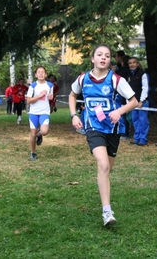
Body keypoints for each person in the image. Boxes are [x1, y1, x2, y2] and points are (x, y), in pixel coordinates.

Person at [68, 44, 137, 226]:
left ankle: (105, 196)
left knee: (107, 170)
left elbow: (134, 101)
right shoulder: (83, 79)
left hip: (112, 129)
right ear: (93, 59)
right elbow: (72, 95)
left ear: (109, 60)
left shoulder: (116, 80)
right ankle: (107, 212)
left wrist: (119, 111)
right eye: (99, 54)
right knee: (103, 164)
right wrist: (74, 115)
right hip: (93, 127)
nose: (103, 58)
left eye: (107, 55)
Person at [26, 66, 53, 160]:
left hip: (44, 112)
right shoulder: (33, 86)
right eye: (39, 72)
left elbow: (51, 95)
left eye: (42, 72)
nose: (41, 74)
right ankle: (33, 152)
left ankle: (39, 134)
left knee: (44, 131)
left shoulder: (50, 85)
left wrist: (50, 97)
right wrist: (39, 96)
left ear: (45, 74)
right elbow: (28, 101)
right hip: (33, 113)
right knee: (32, 135)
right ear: (36, 75)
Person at [127, 57, 149, 146]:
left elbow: (145, 88)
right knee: (135, 120)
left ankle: (143, 139)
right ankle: (136, 139)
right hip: (133, 102)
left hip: (142, 102)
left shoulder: (142, 74)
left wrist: (141, 100)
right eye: (130, 63)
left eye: (134, 63)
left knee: (143, 121)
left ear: (137, 63)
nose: (132, 64)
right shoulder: (129, 75)